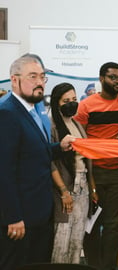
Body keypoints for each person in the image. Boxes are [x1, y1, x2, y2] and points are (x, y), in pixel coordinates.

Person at [0, 54, 75, 270]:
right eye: (32, 76)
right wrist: (13, 217)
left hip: (40, 215)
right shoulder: (7, 113)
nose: (40, 82)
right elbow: (4, 170)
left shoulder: (33, 110)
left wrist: (59, 147)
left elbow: (33, 154)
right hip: (19, 220)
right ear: (14, 79)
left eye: (42, 77)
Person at [74, 62, 118, 270]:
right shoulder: (86, 105)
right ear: (101, 79)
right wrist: (89, 180)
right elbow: (79, 143)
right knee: (91, 226)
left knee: (114, 226)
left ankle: (109, 266)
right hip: (93, 173)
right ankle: (93, 266)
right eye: (113, 77)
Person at [49, 82, 98, 263]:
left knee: (77, 239)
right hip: (65, 186)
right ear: (57, 102)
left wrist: (92, 187)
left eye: (75, 99)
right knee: (62, 240)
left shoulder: (76, 123)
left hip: (83, 185)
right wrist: (63, 191)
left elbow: (85, 158)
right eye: (66, 100)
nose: (72, 103)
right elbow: (50, 162)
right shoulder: (51, 125)